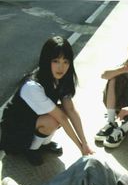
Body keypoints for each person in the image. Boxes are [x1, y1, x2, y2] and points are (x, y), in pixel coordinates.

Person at [0, 36, 93, 166]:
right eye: (56, 61)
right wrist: (81, 148)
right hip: (15, 132)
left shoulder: (61, 79)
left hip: (33, 120)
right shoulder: (32, 86)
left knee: (63, 111)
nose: (61, 67)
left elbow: (70, 110)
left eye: (66, 62)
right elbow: (61, 118)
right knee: (54, 118)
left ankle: (43, 143)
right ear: (46, 60)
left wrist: (85, 143)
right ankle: (31, 149)